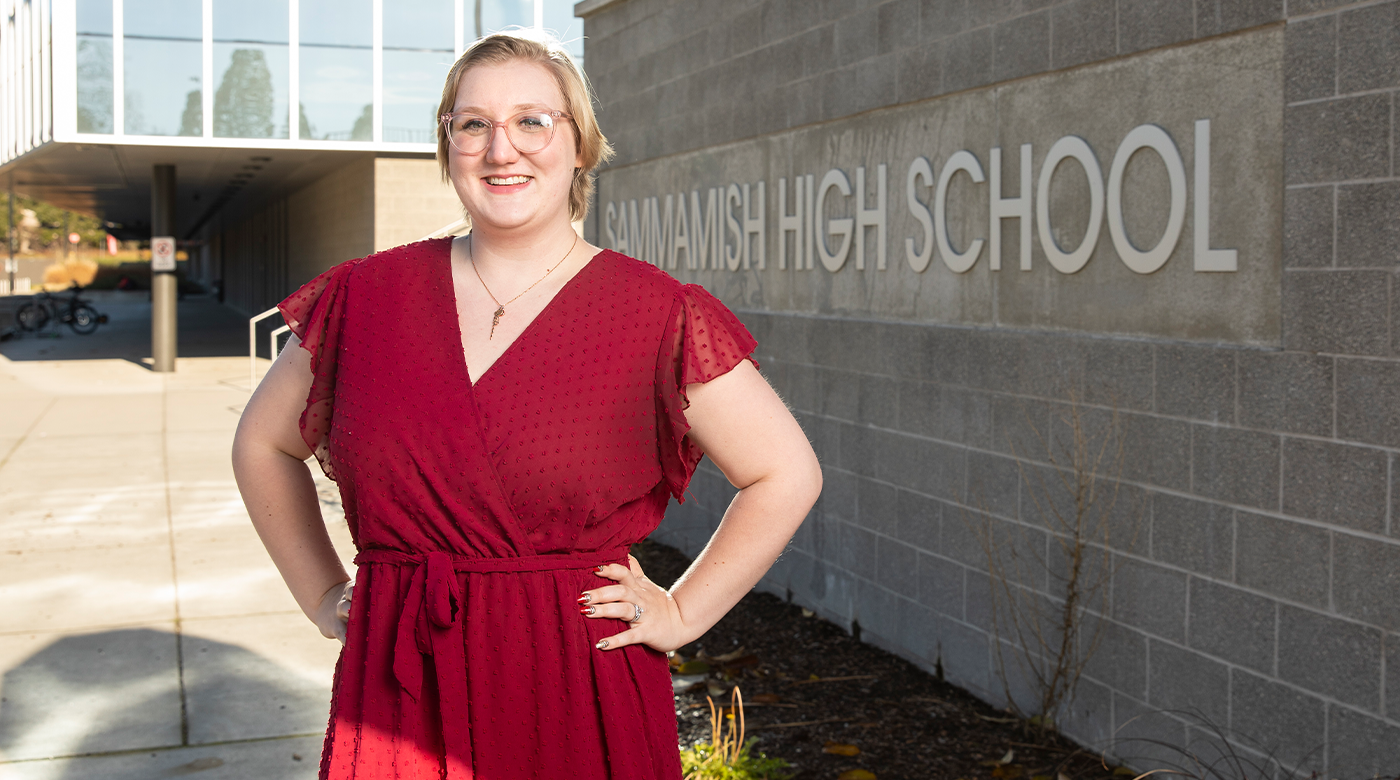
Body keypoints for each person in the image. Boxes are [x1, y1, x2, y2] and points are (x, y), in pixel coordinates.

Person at [231, 29, 821, 779]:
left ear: (579, 146)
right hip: (398, 683)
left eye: (532, 122)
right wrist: (321, 595)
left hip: (575, 680)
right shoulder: (365, 297)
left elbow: (784, 472)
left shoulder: (654, 313)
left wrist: (682, 612)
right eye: (473, 124)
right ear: (448, 146)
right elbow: (262, 444)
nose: (500, 149)